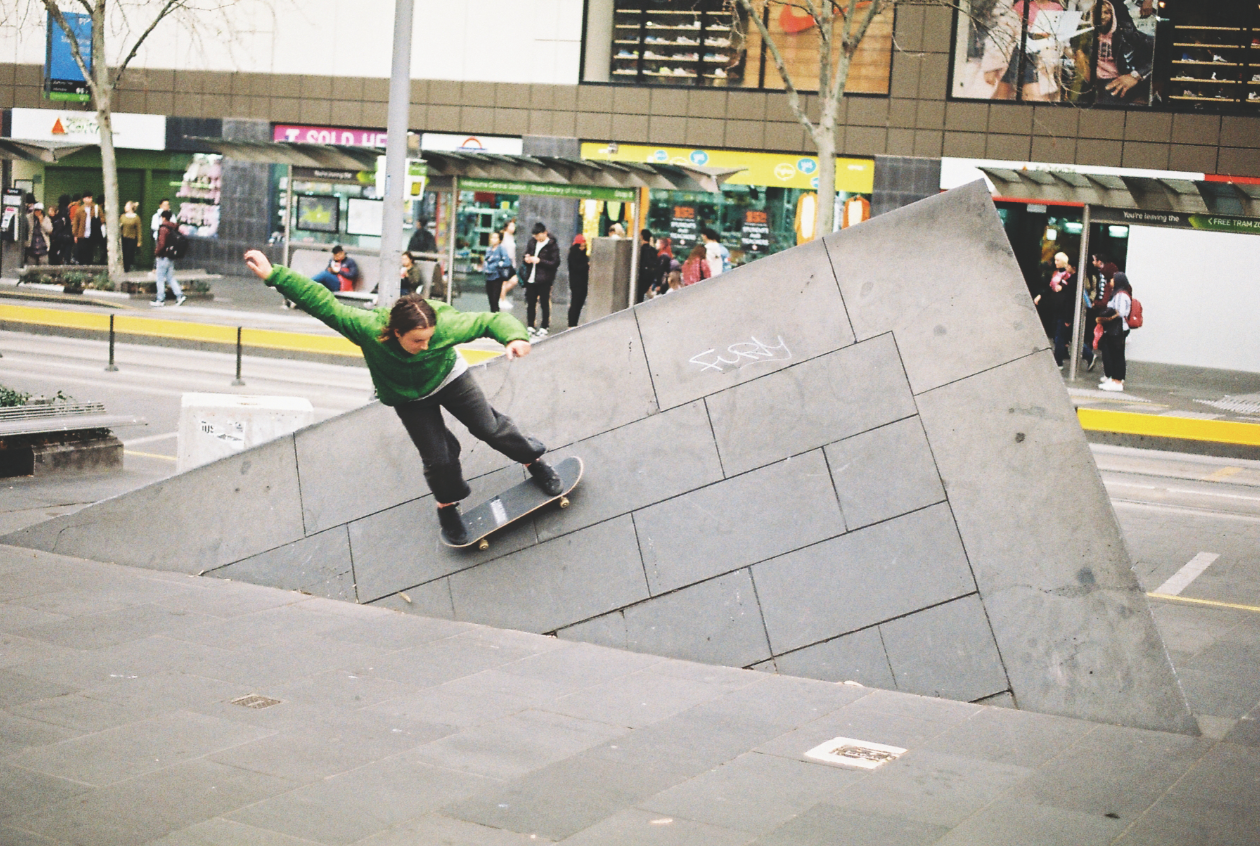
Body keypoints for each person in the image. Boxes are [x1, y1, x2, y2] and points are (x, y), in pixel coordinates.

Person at [240, 248, 564, 545]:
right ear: (396, 333)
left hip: (448, 377)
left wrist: (514, 337)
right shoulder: (367, 329)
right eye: (417, 341)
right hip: (408, 398)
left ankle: (533, 460)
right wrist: (275, 276)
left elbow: (490, 319)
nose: (425, 345)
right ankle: (447, 506)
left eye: (429, 339)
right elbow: (322, 302)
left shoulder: (445, 327)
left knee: (488, 427)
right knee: (438, 459)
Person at [1090, 0, 1153, 106]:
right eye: (1098, 12)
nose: (1102, 16)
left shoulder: (1126, 34)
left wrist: (1135, 75)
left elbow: (1159, 51)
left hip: (1114, 83)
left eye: (1106, 12)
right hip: (1090, 83)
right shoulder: (1085, 35)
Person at [521, 221, 559, 338]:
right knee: (530, 302)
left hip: (544, 279)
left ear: (544, 233)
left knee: (544, 303)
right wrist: (526, 259)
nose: (537, 238)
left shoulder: (551, 245)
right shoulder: (532, 243)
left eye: (538, 236)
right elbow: (526, 254)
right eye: (535, 236)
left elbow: (555, 262)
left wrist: (539, 261)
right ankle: (530, 325)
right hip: (531, 277)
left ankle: (544, 325)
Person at [1097, 272, 1133, 392]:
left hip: (1118, 329)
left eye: (1113, 278)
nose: (1111, 280)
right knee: (1115, 354)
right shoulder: (1119, 294)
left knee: (1117, 355)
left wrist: (1108, 316)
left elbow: (1120, 312)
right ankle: (1115, 380)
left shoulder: (1121, 295)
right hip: (1118, 328)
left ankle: (1117, 381)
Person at [151, 210, 186, 307]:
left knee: (160, 278)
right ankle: (179, 295)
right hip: (171, 256)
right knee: (170, 277)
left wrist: (157, 252)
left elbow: (161, 243)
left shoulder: (163, 228)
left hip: (163, 256)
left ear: (162, 217)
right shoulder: (173, 227)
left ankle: (160, 299)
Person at [481, 230, 514, 312]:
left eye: (495, 238)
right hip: (489, 276)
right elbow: (485, 260)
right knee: (490, 299)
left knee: (495, 299)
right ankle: (492, 315)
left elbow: (507, 262)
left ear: (499, 239)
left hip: (497, 276)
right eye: (492, 237)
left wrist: (498, 265)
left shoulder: (501, 249)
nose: (493, 239)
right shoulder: (488, 249)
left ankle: (496, 316)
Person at [72, 192, 104, 265]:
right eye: (88, 198)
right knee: (81, 251)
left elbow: (102, 218)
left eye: (91, 197)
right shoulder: (80, 210)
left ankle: (89, 265)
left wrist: (98, 221)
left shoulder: (96, 208)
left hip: (92, 233)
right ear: (84, 199)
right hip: (82, 234)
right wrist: (75, 234)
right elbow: (76, 223)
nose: (90, 199)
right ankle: (82, 266)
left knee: (90, 251)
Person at [567, 234, 589, 329]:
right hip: (576, 282)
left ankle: (575, 322)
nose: (582, 248)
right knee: (575, 302)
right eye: (581, 246)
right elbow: (575, 268)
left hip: (583, 281)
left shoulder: (584, 255)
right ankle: (572, 323)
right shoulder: (573, 255)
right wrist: (586, 266)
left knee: (580, 302)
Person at [119, 201, 142, 272]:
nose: (125, 207)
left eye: (126, 206)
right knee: (123, 253)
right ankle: (123, 267)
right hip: (123, 237)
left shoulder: (136, 218)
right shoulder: (123, 216)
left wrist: (139, 241)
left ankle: (127, 267)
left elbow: (139, 230)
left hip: (132, 238)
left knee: (129, 253)